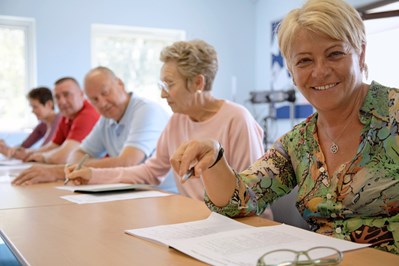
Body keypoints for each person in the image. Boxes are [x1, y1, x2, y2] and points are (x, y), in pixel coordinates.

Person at [169, 0, 399, 255]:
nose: (320, 71)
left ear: (361, 53)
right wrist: (214, 157)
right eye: (304, 61)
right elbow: (239, 201)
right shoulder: (298, 143)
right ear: (290, 70)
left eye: (335, 53)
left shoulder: (394, 114)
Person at [65, 40, 273, 219]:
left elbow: (251, 195)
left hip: (239, 224)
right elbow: (151, 171)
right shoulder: (177, 120)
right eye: (162, 85)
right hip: (197, 220)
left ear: (198, 82)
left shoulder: (237, 119)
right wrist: (93, 175)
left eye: (169, 85)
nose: (163, 95)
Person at [12, 66, 171, 187]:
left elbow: (128, 162)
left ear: (120, 84)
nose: (101, 103)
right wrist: (75, 168)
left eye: (105, 93)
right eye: (94, 99)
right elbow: (78, 154)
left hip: (161, 195)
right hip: (130, 192)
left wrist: (61, 171)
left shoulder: (146, 110)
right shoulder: (106, 119)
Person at [12, 77, 100, 185]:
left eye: (67, 94)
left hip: (97, 177)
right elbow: (53, 145)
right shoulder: (66, 116)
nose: (62, 101)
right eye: (57, 97)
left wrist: (41, 157)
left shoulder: (87, 115)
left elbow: (63, 157)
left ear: (81, 94)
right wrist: (30, 153)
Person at [0, 87, 61, 159]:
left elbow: (45, 150)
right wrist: (8, 148)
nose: (32, 111)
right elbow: (23, 146)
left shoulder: (60, 121)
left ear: (49, 104)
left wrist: (7, 151)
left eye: (35, 107)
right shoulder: (42, 125)